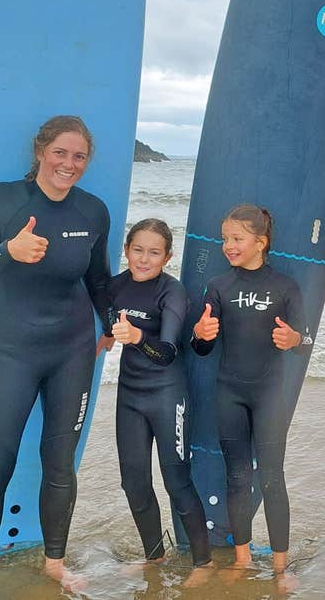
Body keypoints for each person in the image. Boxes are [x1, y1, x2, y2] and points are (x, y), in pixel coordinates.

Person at [0, 115, 115, 598]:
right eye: (61, 153)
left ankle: (54, 563)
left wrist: (113, 323)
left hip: (72, 352)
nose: (69, 164)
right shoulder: (1, 199)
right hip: (13, 352)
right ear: (40, 151)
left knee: (60, 462)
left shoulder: (93, 211)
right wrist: (9, 250)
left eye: (79, 156)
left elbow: (100, 280)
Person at [190, 204, 307, 581]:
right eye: (225, 239)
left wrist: (293, 338)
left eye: (236, 239)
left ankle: (280, 565)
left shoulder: (286, 286)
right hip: (230, 392)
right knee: (237, 477)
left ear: (261, 242)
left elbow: (305, 342)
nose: (228, 245)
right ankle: (242, 558)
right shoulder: (220, 286)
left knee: (272, 476)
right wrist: (200, 335)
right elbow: (203, 348)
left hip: (269, 393)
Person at [104, 218, 214, 584]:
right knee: (133, 482)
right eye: (137, 250)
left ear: (167, 256)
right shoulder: (116, 286)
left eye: (154, 252)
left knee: (176, 482)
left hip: (168, 394)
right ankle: (154, 556)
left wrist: (136, 337)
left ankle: (203, 564)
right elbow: (101, 325)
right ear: (126, 250)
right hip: (130, 395)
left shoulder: (172, 292)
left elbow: (167, 351)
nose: (144, 259)